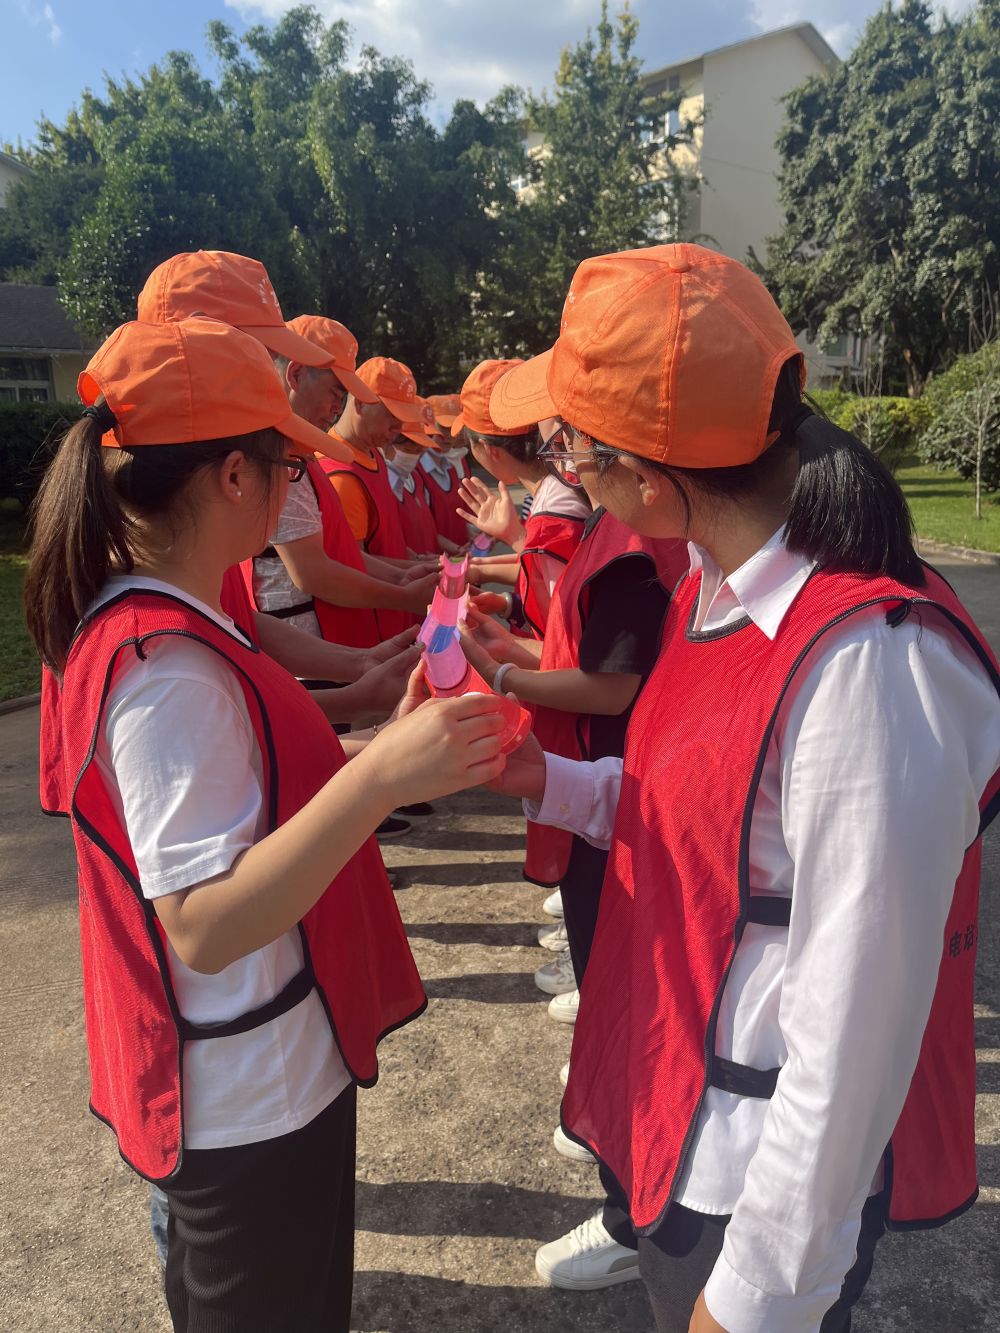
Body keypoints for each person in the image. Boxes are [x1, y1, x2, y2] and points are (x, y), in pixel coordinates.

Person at [488, 243, 1000, 1332]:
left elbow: (856, 1024)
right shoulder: (714, 590)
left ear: (647, 480)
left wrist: (759, 1292)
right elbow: (702, 812)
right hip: (677, 1107)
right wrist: (551, 780)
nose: (562, 465)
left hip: (748, 1175)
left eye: (572, 444)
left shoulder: (867, 663)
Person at [24, 317, 509, 1333]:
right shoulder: (166, 670)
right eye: (287, 463)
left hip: (268, 1075)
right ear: (233, 475)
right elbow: (203, 922)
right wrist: (383, 774)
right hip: (246, 1097)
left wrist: (378, 734)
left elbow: (259, 787)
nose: (299, 485)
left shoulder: (178, 624)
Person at [460, 394, 687, 1294]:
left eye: (570, 439)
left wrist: (504, 671)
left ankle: (636, 1210)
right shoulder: (617, 526)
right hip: (606, 787)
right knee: (613, 984)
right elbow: (584, 655)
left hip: (621, 791)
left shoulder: (631, 543)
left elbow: (611, 685)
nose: (558, 453)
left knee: (628, 992)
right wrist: (511, 652)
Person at [243, 319, 438, 651]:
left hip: (329, 647)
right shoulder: (278, 459)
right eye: (335, 391)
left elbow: (341, 553)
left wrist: (401, 575)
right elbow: (313, 573)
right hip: (308, 654)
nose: (338, 406)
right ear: (296, 374)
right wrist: (403, 595)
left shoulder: (301, 453)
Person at [450, 358, 591, 638]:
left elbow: (570, 641)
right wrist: (508, 603)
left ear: (488, 449)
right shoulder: (566, 484)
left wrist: (500, 652)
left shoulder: (552, 512)